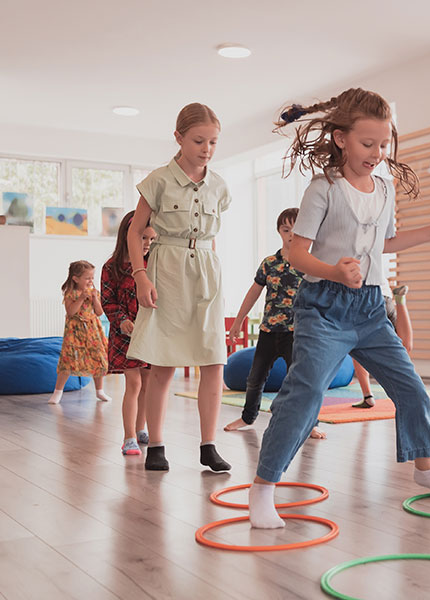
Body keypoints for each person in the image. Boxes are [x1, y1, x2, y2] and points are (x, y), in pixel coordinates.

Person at [248, 88, 430, 529]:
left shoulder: (383, 189)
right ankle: (263, 488)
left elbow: (384, 244)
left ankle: (426, 470)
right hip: (323, 309)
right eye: (368, 144)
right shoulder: (323, 189)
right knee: (305, 393)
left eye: (383, 145)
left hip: (369, 309)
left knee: (413, 390)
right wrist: (332, 270)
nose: (377, 153)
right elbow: (296, 255)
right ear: (341, 139)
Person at [127, 102, 232, 472]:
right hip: (167, 271)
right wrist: (141, 276)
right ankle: (156, 445)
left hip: (207, 272)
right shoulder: (158, 180)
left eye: (213, 142)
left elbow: (211, 238)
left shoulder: (219, 185)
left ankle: (209, 444)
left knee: (214, 360)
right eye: (199, 140)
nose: (207, 149)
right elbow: (135, 231)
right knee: (164, 365)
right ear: (179, 138)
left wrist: (214, 280)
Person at [223, 207, 325, 439]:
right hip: (268, 331)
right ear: (279, 232)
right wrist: (238, 321)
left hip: (296, 333)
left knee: (303, 380)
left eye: (296, 229)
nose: (291, 234)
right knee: (255, 378)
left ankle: (310, 423)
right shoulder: (269, 263)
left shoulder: (311, 264)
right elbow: (253, 293)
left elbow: (322, 296)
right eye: (285, 229)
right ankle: (247, 417)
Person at [101, 211, 157, 456]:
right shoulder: (111, 267)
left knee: (147, 383)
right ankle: (128, 437)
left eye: (152, 240)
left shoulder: (152, 265)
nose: (147, 244)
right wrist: (122, 320)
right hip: (124, 335)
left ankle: (140, 427)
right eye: (143, 238)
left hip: (149, 332)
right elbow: (107, 300)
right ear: (128, 235)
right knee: (133, 383)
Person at [48, 261, 111, 405]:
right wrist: (82, 298)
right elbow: (71, 312)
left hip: (92, 330)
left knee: (98, 358)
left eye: (92, 278)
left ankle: (99, 391)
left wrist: (95, 299)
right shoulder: (71, 293)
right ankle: (58, 392)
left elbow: (99, 312)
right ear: (76, 279)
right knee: (68, 359)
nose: (91, 281)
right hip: (75, 331)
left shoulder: (95, 293)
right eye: (87, 278)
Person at [351, 280, 412, 408]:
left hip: (369, 299)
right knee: (403, 347)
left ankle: (368, 396)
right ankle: (400, 301)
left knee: (357, 347)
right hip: (386, 297)